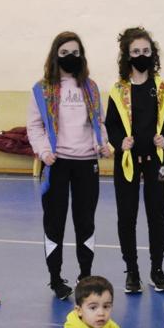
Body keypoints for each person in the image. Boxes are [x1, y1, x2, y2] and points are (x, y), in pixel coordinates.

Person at [27, 31, 111, 300]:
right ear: (55, 56)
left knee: (85, 222)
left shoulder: (91, 87)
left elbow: (99, 121)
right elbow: (35, 125)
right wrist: (43, 151)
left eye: (75, 53)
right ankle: (55, 279)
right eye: (64, 53)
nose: (70, 57)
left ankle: (85, 275)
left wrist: (103, 143)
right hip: (57, 165)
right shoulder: (42, 89)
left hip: (87, 164)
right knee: (55, 224)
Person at [104, 27, 164, 294]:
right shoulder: (118, 90)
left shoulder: (163, 89)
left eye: (146, 51)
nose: (141, 55)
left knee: (156, 215)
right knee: (127, 216)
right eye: (136, 51)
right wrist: (118, 142)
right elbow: (110, 124)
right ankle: (132, 271)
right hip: (126, 163)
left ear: (153, 53)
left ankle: (156, 270)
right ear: (127, 55)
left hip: (156, 162)